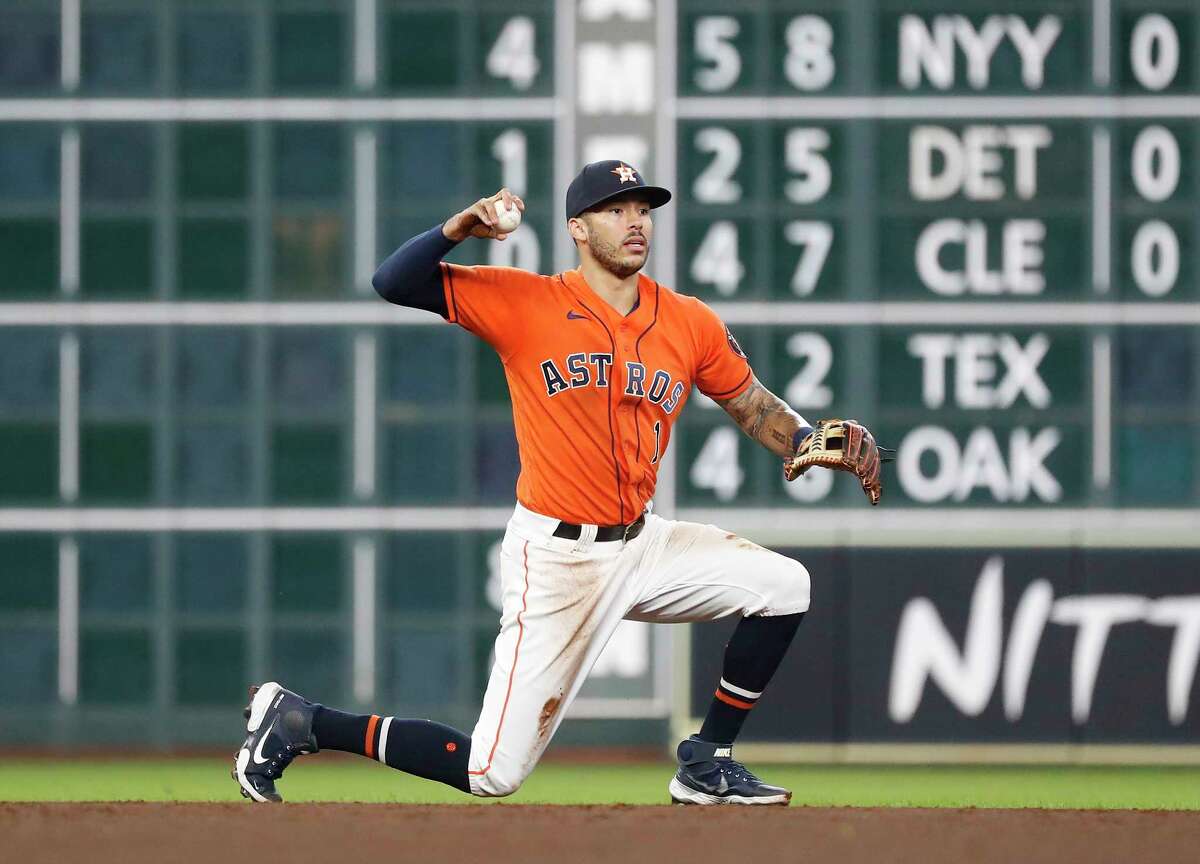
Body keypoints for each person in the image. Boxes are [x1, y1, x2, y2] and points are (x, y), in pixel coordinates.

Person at [232, 160, 882, 805]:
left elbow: (754, 407)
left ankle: (706, 761)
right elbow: (392, 282)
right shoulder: (527, 303)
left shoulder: (688, 321)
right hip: (559, 558)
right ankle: (301, 721)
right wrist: (455, 229)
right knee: (491, 771)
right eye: (615, 209)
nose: (635, 222)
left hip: (643, 545)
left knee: (784, 586)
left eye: (643, 209)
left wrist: (806, 440)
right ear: (577, 227)